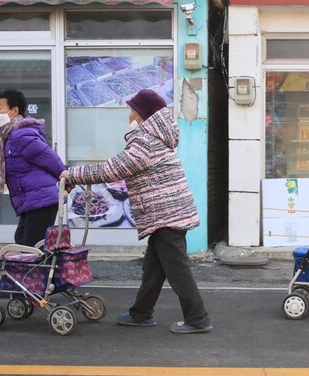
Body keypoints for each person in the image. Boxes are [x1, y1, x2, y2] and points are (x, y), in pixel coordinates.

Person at [61, 89, 211, 334]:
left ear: (142, 114)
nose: (128, 113)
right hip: (166, 214)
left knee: (177, 271)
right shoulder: (153, 137)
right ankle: (140, 313)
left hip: (166, 215)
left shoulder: (146, 141)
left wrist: (73, 174)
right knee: (153, 268)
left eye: (132, 108)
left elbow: (116, 168)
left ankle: (198, 318)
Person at [0, 90, 67, 248]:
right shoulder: (10, 135)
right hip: (33, 199)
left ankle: (45, 272)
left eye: (0, 108)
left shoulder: (20, 134)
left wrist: (66, 176)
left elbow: (47, 157)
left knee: (31, 246)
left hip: (41, 199)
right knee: (23, 240)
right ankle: (41, 271)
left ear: (15, 110)